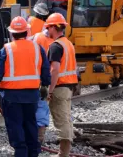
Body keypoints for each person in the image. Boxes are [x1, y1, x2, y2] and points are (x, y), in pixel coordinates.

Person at [0, 16, 51, 157]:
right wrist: (45, 85)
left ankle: (21, 153)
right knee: (31, 124)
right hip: (31, 96)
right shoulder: (37, 48)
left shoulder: (7, 49)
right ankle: (33, 153)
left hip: (12, 97)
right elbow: (45, 69)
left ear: (12, 33)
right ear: (27, 32)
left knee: (15, 126)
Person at [45, 13, 77, 157]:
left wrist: (49, 91)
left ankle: (63, 154)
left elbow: (55, 70)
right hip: (68, 87)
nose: (47, 30)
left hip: (59, 87)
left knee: (61, 121)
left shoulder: (56, 46)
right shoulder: (68, 43)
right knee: (66, 118)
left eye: (48, 27)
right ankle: (64, 152)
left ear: (54, 27)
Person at [28, 22, 55, 149]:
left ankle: (28, 141)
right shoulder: (59, 42)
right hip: (39, 80)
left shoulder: (35, 38)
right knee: (41, 109)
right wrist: (45, 84)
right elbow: (46, 66)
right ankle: (38, 140)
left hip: (28, 81)